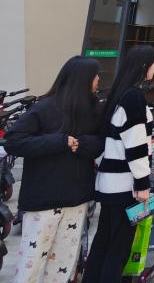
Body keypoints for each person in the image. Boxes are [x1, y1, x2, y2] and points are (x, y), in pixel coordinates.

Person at [5, 56, 103, 283]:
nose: (98, 79)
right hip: (44, 202)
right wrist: (59, 141)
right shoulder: (45, 107)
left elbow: (101, 142)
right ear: (82, 78)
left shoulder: (94, 109)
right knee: (31, 266)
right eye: (95, 75)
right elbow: (13, 141)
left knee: (63, 266)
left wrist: (83, 144)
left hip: (76, 201)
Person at [82, 45, 154, 283]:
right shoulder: (134, 97)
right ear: (145, 66)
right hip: (126, 186)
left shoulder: (119, 95)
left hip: (109, 184)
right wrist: (142, 184)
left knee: (104, 240)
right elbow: (136, 146)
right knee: (119, 246)